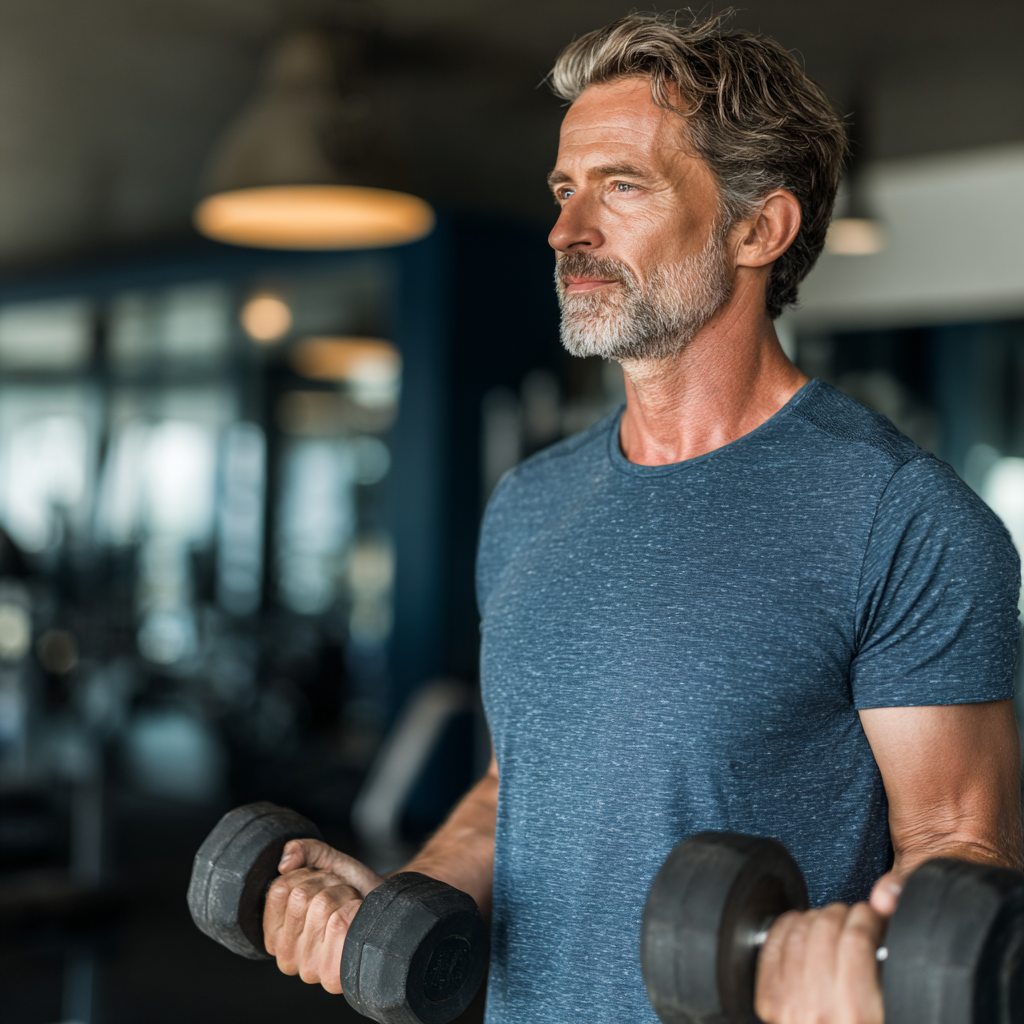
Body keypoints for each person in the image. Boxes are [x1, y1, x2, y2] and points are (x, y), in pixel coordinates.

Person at [258, 12, 1024, 1023]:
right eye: (565, 189)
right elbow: (515, 787)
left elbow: (958, 853)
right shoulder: (529, 503)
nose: (566, 231)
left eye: (621, 186)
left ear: (758, 229)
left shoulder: (901, 517)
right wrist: (400, 896)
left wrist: (867, 957)